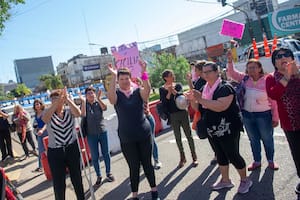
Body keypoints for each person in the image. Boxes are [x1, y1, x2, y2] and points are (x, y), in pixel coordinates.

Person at [189, 61, 252, 194]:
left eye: (208, 71)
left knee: (233, 155)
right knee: (220, 155)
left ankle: (245, 179)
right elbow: (198, 109)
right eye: (203, 72)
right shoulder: (204, 88)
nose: (205, 74)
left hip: (228, 128)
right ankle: (225, 180)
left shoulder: (225, 87)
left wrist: (200, 100)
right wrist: (192, 100)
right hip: (212, 129)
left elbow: (220, 106)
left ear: (217, 72)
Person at [107, 61, 160, 200]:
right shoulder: (117, 94)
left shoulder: (137, 91)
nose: (124, 81)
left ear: (130, 79)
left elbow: (147, 91)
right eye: (121, 79)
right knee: (133, 166)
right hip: (127, 137)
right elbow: (111, 99)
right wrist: (113, 76)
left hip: (143, 133)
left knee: (147, 163)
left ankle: (154, 191)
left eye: (127, 78)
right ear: (118, 80)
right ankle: (134, 195)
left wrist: (144, 72)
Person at [226, 50, 279, 171]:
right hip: (247, 115)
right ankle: (257, 161)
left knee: (267, 139)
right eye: (249, 68)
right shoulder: (244, 79)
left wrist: (275, 118)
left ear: (260, 68)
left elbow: (274, 101)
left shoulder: (267, 80)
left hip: (264, 115)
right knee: (253, 140)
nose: (251, 70)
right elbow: (232, 73)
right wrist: (229, 60)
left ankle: (270, 160)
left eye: (254, 67)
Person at [265, 47, 300, 195]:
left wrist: (297, 75)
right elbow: (274, 94)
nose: (283, 57)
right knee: (298, 153)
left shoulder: (299, 72)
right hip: (291, 124)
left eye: (287, 55)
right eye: (278, 56)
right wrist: (286, 76)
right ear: (274, 62)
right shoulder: (271, 78)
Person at [42, 88, 84, 200]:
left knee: (77, 178)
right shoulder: (48, 112)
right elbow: (45, 119)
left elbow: (78, 113)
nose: (54, 101)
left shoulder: (68, 111)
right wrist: (55, 103)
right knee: (59, 182)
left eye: (57, 98)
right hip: (55, 151)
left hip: (72, 148)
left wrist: (68, 100)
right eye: (52, 100)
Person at [159, 69, 198, 168]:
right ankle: (182, 157)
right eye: (171, 75)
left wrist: (174, 91)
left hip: (183, 112)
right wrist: (168, 92)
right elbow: (164, 102)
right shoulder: (162, 89)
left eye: (173, 74)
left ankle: (194, 157)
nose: (173, 76)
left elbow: (182, 96)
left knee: (189, 135)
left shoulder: (178, 85)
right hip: (173, 115)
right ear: (166, 78)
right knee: (178, 137)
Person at [79, 86, 115, 186]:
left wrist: (99, 99)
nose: (91, 95)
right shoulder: (84, 105)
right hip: (91, 134)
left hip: (102, 131)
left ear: (95, 94)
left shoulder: (97, 103)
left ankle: (108, 173)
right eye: (88, 93)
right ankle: (99, 175)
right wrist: (82, 102)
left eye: (92, 93)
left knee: (106, 153)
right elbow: (82, 115)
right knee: (94, 157)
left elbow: (105, 108)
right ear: (85, 96)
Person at [188, 60, 218, 166]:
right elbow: (194, 93)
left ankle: (222, 154)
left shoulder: (212, 81)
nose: (194, 71)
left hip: (214, 110)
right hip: (204, 112)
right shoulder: (198, 81)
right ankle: (217, 154)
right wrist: (189, 83)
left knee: (218, 134)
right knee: (210, 135)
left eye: (196, 69)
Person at [132, 78, 162, 170]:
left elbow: (147, 88)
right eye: (133, 82)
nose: (135, 84)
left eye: (137, 82)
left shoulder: (143, 93)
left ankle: (156, 160)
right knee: (138, 143)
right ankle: (142, 163)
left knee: (151, 140)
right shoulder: (130, 96)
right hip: (136, 122)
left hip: (147, 119)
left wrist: (144, 74)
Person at [32, 99, 48, 172]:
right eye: (36, 104)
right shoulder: (36, 114)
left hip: (46, 131)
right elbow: (35, 124)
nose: (37, 106)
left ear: (41, 104)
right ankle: (41, 166)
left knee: (49, 148)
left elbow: (47, 123)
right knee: (41, 149)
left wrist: (42, 130)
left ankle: (49, 164)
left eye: (38, 104)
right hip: (39, 133)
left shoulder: (44, 112)